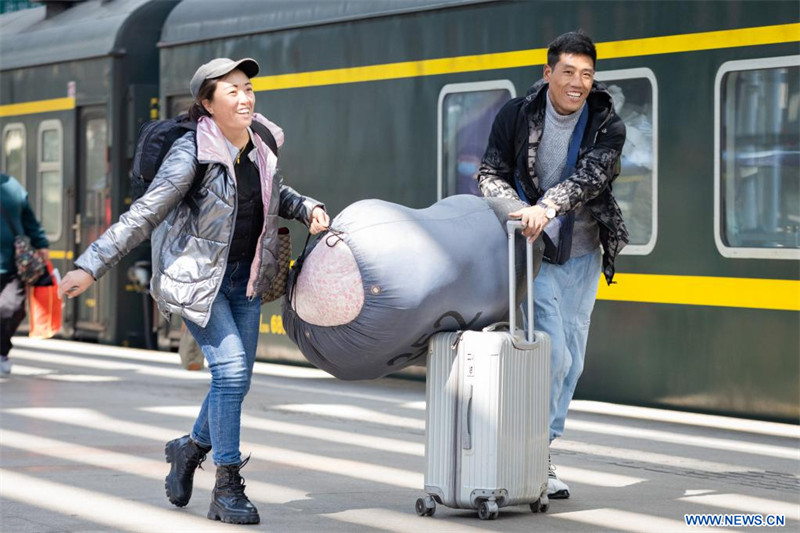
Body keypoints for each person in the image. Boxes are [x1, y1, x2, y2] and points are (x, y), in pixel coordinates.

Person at [59, 57, 330, 525]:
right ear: (207, 104)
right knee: (230, 372)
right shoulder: (192, 154)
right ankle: (227, 486)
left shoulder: (261, 143)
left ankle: (189, 448)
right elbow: (143, 214)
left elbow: (273, 195)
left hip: (247, 278)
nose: (245, 97)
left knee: (237, 380)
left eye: (247, 88)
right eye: (232, 91)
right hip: (197, 280)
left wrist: (306, 207)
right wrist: (90, 265)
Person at [476, 31, 628, 500]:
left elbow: (591, 178)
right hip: (532, 253)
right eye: (568, 72)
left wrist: (548, 205)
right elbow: (488, 174)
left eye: (586, 74)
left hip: (584, 255)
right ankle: (531, 454)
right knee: (552, 353)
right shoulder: (516, 115)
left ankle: (542, 447)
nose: (577, 83)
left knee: (573, 362)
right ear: (548, 74)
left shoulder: (606, 123)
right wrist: (518, 212)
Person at [0, 173, 50, 376]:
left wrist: (40, 243)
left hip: (12, 264)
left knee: (12, 309)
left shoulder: (12, 186)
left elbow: (29, 219)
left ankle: (1, 352)